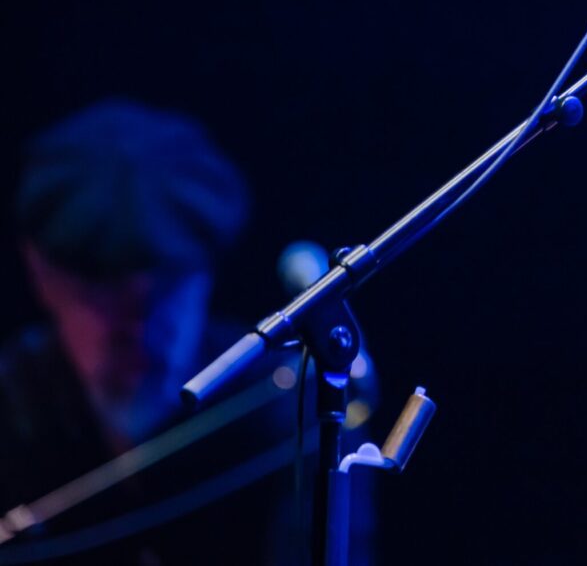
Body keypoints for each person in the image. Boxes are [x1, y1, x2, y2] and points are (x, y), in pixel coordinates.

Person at [0, 99, 373, 565]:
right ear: (40, 272)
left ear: (207, 272)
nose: (137, 322)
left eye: (167, 284)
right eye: (102, 288)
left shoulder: (285, 410)